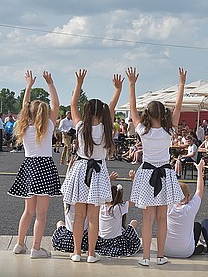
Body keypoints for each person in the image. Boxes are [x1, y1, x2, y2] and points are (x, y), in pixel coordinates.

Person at [126, 67, 186, 267]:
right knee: (162, 219)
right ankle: (160, 256)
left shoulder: (143, 130)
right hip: (165, 173)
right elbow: (178, 107)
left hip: (146, 173)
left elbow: (132, 110)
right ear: (163, 114)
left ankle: (145, 257)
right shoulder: (169, 130)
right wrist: (181, 84)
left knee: (147, 219)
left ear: (148, 114)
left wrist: (132, 84)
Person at [61, 69, 123, 264]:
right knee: (93, 218)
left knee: (78, 216)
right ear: (102, 113)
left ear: (87, 112)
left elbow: (73, 104)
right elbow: (112, 106)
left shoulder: (80, 127)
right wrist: (118, 89)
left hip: (80, 170)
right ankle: (91, 253)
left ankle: (77, 252)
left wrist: (79, 83)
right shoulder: (106, 129)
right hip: (98, 172)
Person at [8, 70, 62, 259]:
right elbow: (56, 104)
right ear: (44, 113)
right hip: (44, 166)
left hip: (29, 166)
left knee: (28, 211)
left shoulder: (23, 126)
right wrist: (50, 83)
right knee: (41, 213)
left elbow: (25, 106)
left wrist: (29, 85)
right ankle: (36, 248)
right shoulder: (48, 126)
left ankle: (19, 244)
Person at [165, 160, 206, 258]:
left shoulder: (168, 207)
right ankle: (195, 247)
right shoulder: (190, 208)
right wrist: (199, 171)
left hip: (165, 250)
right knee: (197, 226)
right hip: (186, 253)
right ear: (188, 197)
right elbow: (199, 190)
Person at [96, 183, 141, 257]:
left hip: (101, 242)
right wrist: (134, 181)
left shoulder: (101, 206)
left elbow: (98, 191)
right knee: (134, 222)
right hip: (116, 242)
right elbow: (134, 200)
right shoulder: (119, 207)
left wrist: (109, 179)